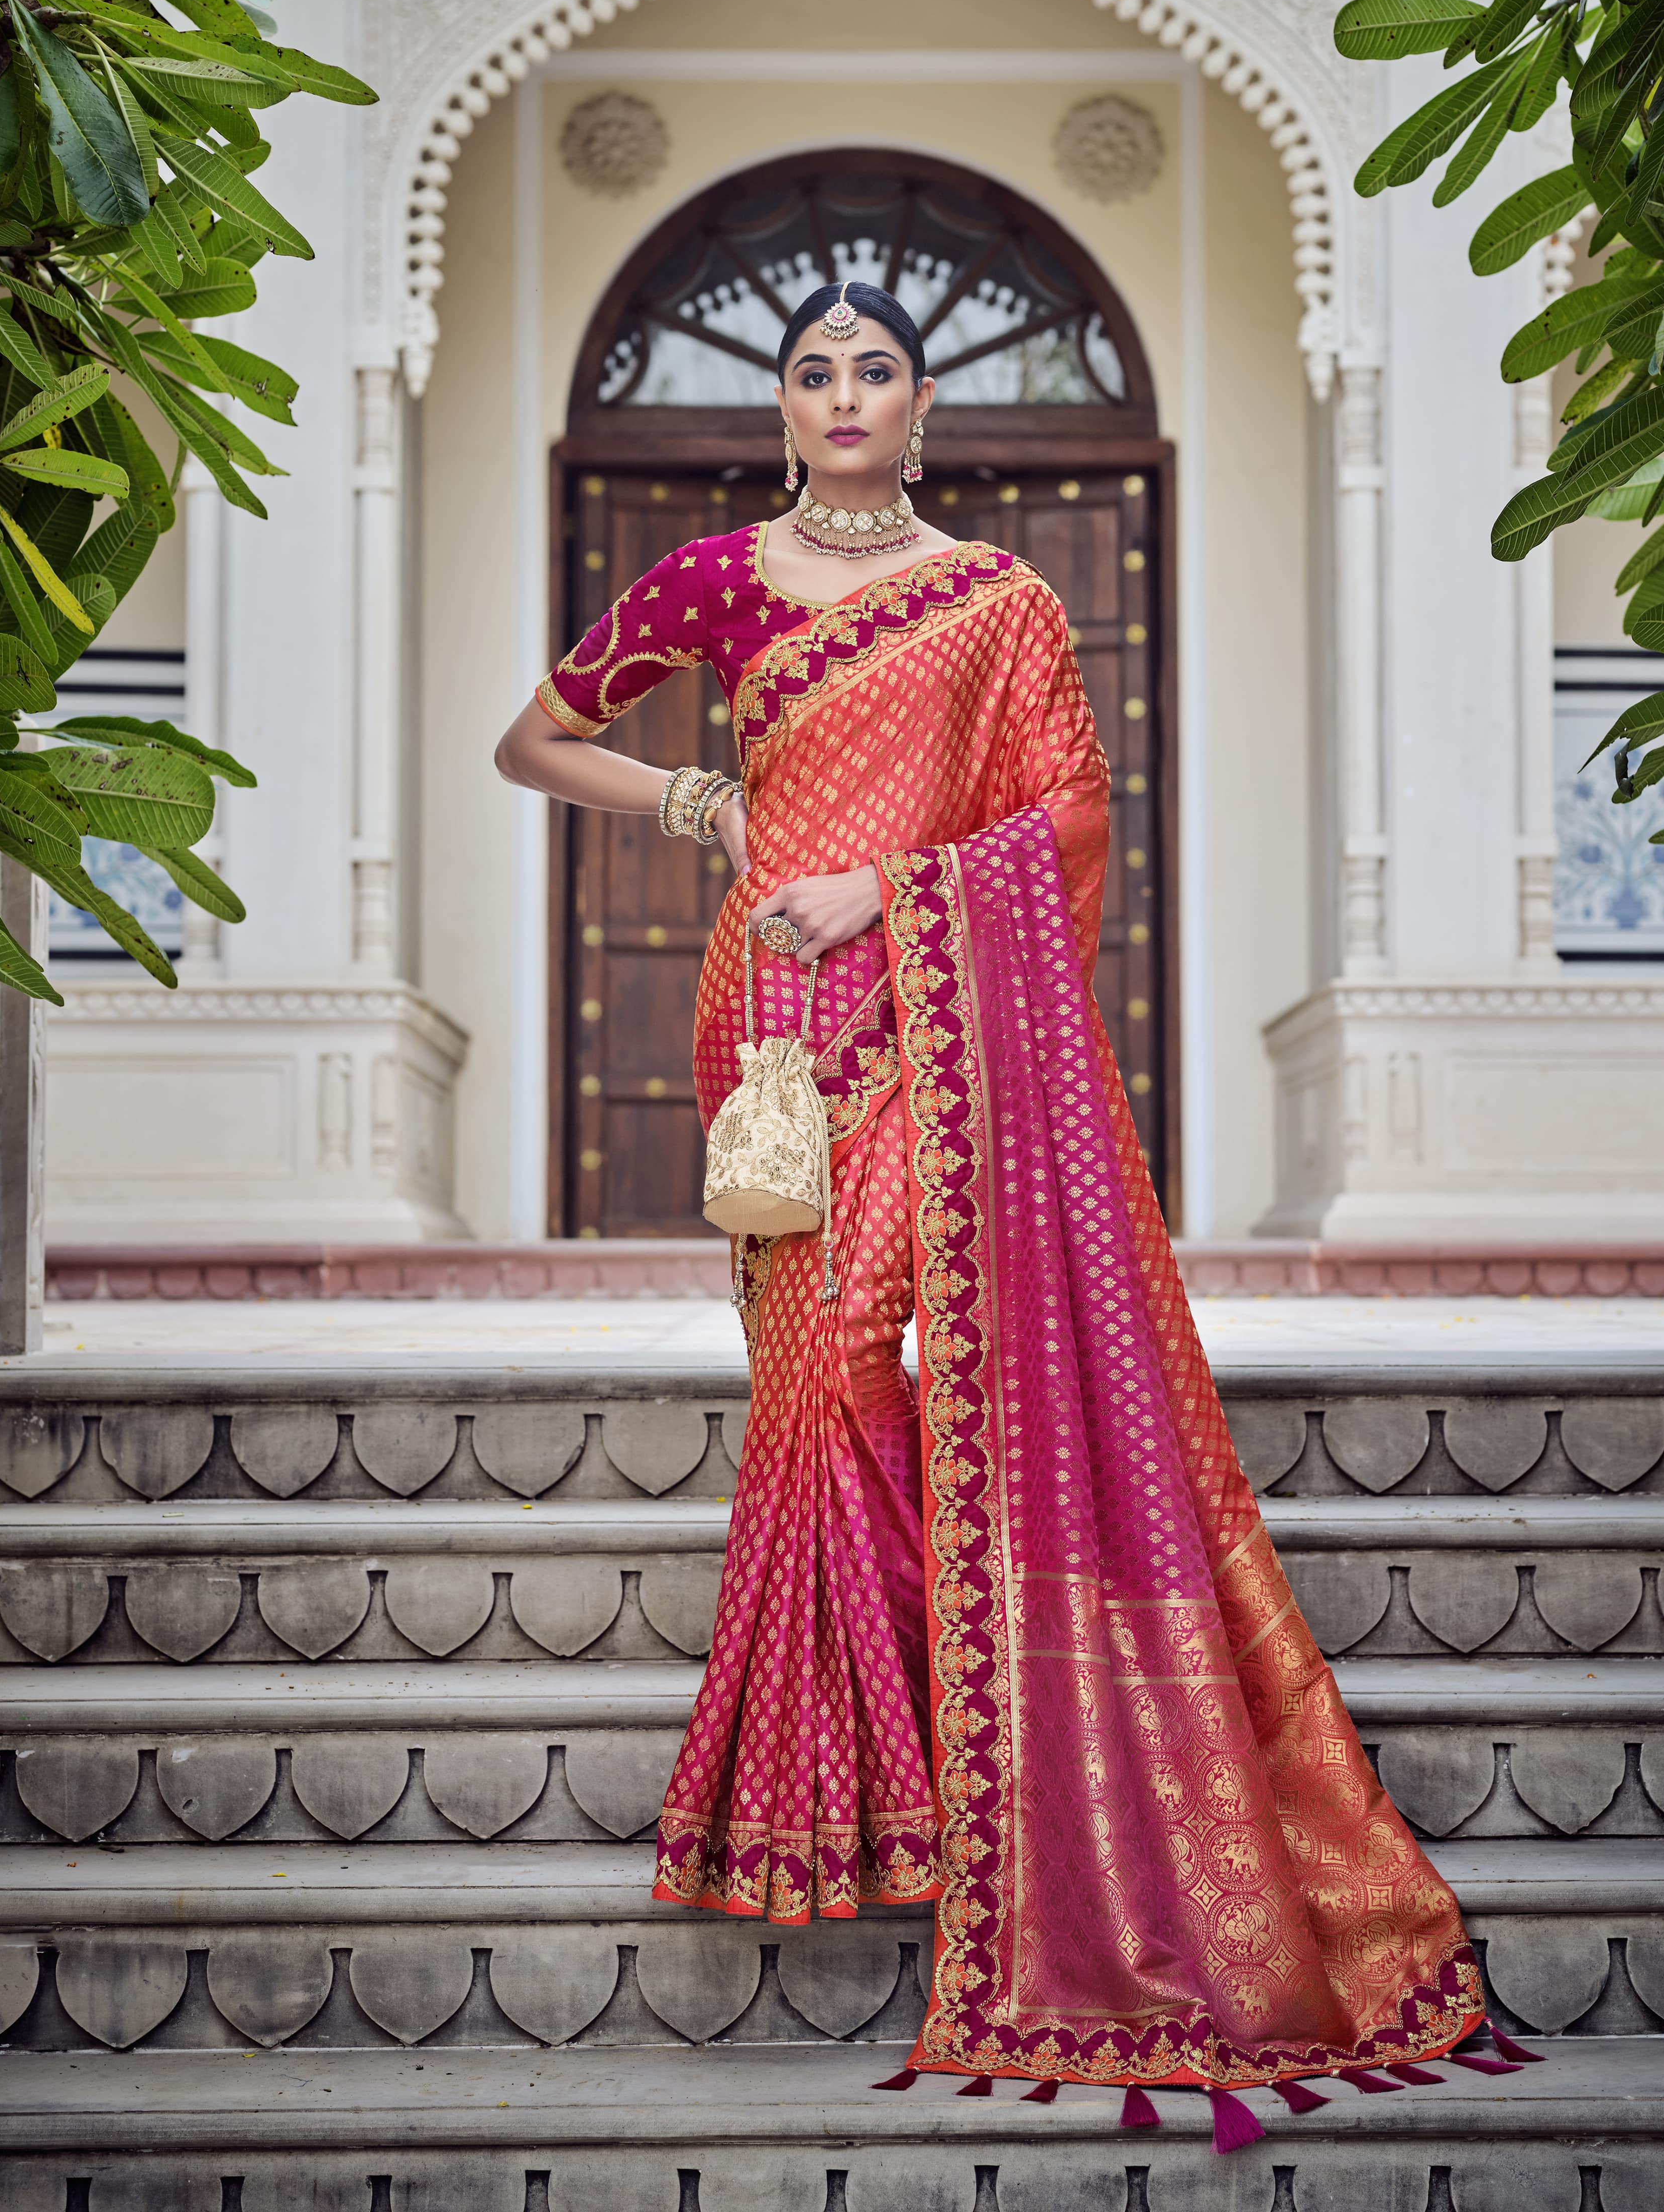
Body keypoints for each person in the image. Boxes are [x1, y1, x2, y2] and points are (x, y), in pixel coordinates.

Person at [494, 281, 1484, 2135]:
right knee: (813, 1380)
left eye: (876, 367)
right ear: (782, 411)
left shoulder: (1004, 602)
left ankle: (953, 1782)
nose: (844, 392)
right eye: (813, 371)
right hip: (771, 1028)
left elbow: (1072, 819)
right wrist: (702, 796)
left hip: (916, 1003)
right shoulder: (718, 582)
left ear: (924, 405)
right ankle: (831, 1800)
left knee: (870, 1370)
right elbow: (534, 740)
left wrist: (886, 890)